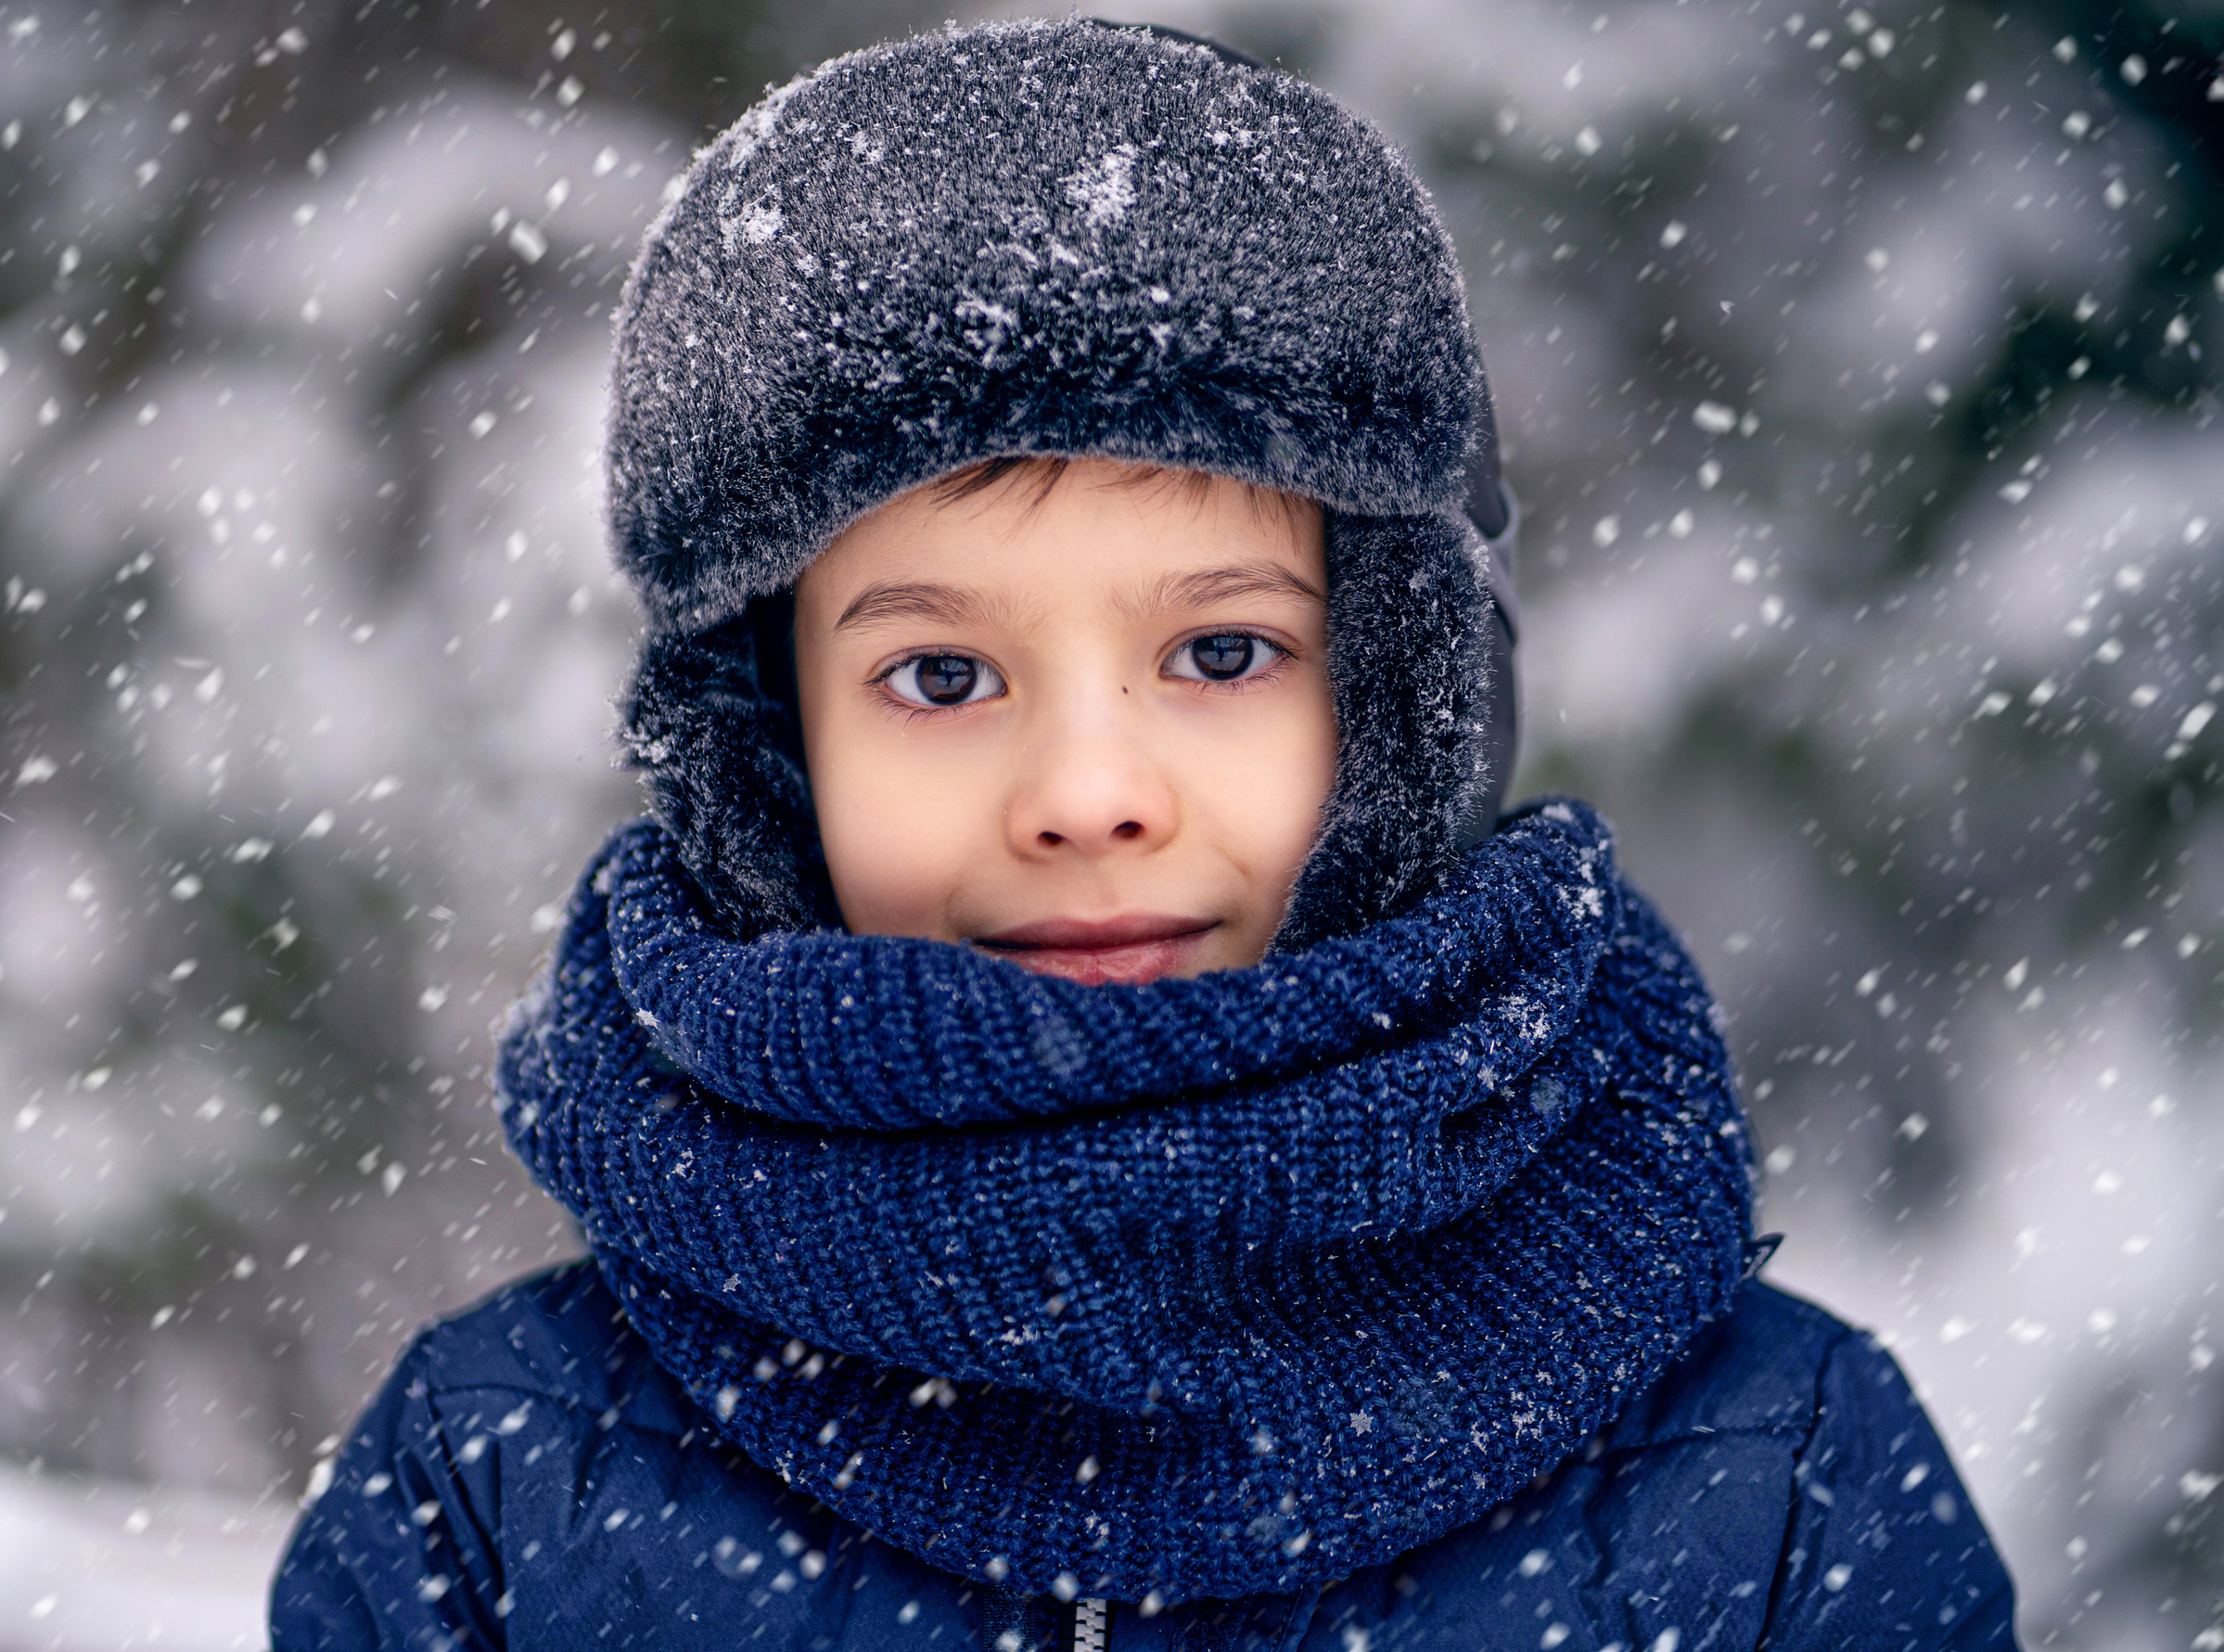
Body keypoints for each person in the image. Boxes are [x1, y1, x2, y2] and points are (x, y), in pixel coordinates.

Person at [269, 19, 2015, 1649]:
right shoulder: (500, 1483)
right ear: (768, 749)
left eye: (1222, 654)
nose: (1089, 791)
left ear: (1395, 694)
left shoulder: (1776, 1481)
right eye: (942, 675)